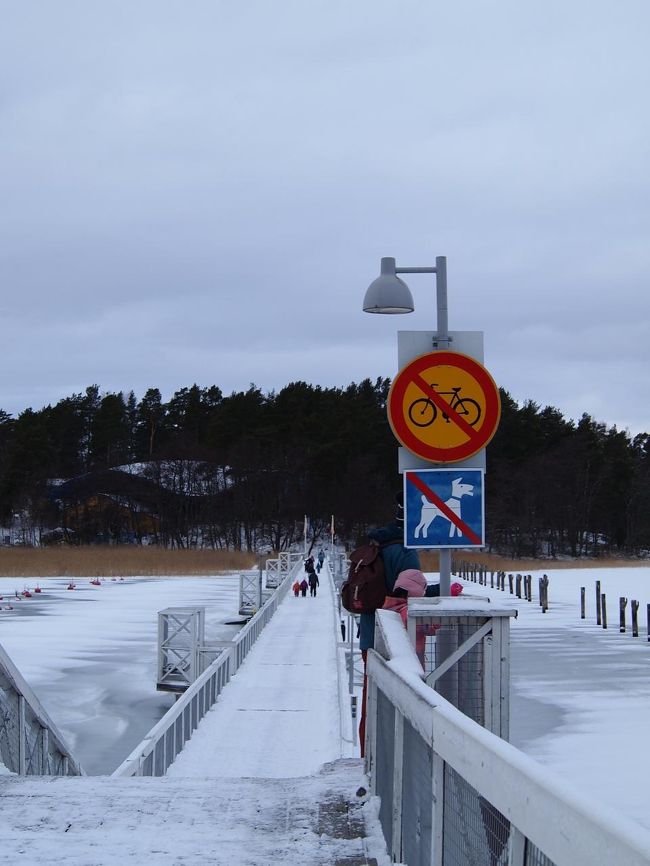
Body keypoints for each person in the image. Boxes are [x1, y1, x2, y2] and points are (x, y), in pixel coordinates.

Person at [358, 491, 420, 755]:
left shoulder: (378, 546)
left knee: (370, 703)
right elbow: (410, 595)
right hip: (394, 641)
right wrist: (445, 590)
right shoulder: (405, 552)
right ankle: (389, 763)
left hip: (369, 636)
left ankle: (368, 757)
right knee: (400, 706)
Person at [382, 569, 463, 666]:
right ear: (415, 590)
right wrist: (443, 616)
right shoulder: (408, 613)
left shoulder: (390, 607)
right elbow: (430, 628)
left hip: (394, 660)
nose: (425, 593)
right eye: (424, 589)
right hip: (412, 662)